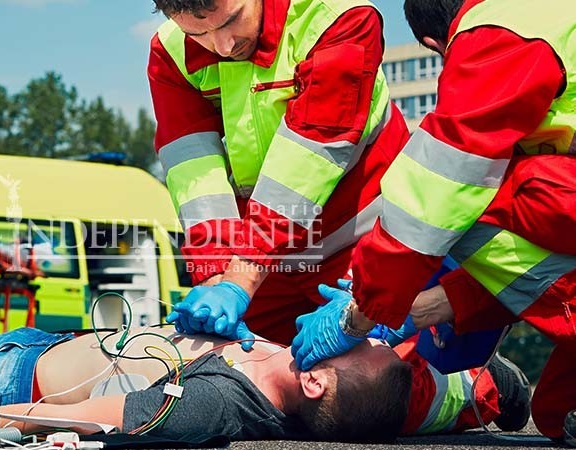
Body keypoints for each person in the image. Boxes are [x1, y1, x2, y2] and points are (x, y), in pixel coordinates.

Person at [146, 0, 508, 434]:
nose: (221, 46)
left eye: (230, 21)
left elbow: (312, 154)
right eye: (198, 34)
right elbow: (194, 169)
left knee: (368, 398)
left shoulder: (337, 16)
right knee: (260, 390)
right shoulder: (170, 50)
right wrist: (213, 276)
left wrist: (238, 278)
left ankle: (479, 390)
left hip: (361, 239)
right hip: (266, 254)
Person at [290, 0, 576, 442]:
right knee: (559, 410)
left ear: (433, 44)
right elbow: (541, 262)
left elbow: (440, 190)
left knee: (472, 194)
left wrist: (361, 313)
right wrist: (415, 308)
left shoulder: (497, 31)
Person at [0, 326, 411, 443]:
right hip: (37, 344)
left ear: (312, 382)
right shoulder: (288, 367)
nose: (358, 330)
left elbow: (63, 420)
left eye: (359, 343)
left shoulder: (215, 404)